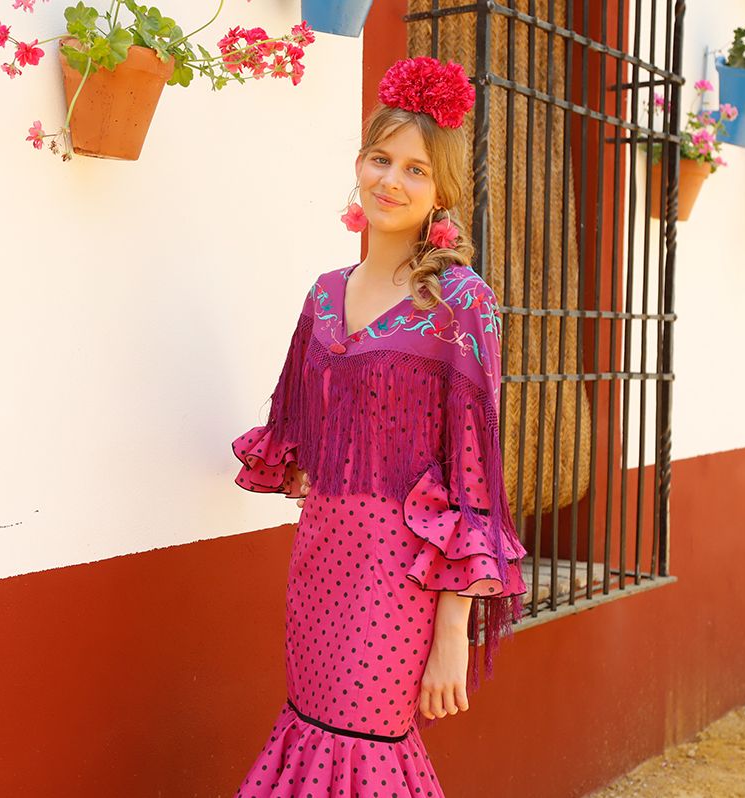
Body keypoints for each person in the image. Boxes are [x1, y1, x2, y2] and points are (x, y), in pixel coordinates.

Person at [230, 55, 529, 797]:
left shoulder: (462, 302)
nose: (391, 181)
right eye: (380, 159)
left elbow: (471, 477)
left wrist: (452, 633)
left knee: (362, 746)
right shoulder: (325, 294)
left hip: (402, 577)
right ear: (359, 166)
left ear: (444, 191)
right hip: (320, 560)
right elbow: (303, 438)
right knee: (313, 727)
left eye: (416, 169)